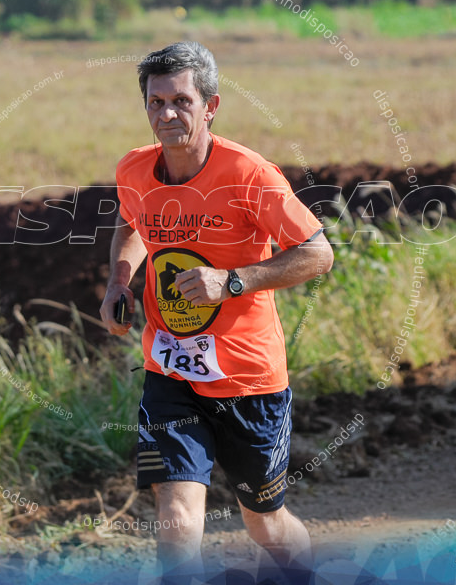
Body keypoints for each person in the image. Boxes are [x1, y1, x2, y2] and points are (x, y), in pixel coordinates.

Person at [99, 42, 334, 583]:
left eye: (180, 101)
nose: (167, 114)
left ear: (211, 106)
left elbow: (319, 253)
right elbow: (131, 223)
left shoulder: (249, 174)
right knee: (177, 521)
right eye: (155, 103)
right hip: (171, 371)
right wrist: (119, 281)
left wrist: (230, 282)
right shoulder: (134, 169)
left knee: (265, 525)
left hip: (249, 381)